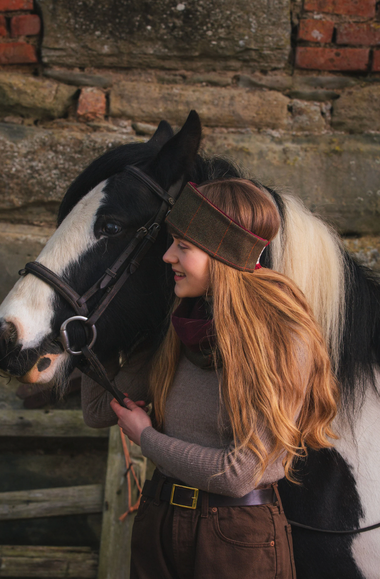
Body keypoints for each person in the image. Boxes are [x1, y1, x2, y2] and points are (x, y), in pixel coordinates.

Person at [82, 178, 338, 579]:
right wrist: (95, 327)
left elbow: (240, 474)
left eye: (183, 246)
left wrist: (147, 437)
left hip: (235, 539)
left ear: (223, 255)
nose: (168, 256)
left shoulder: (283, 340)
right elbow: (97, 410)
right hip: (159, 522)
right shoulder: (178, 329)